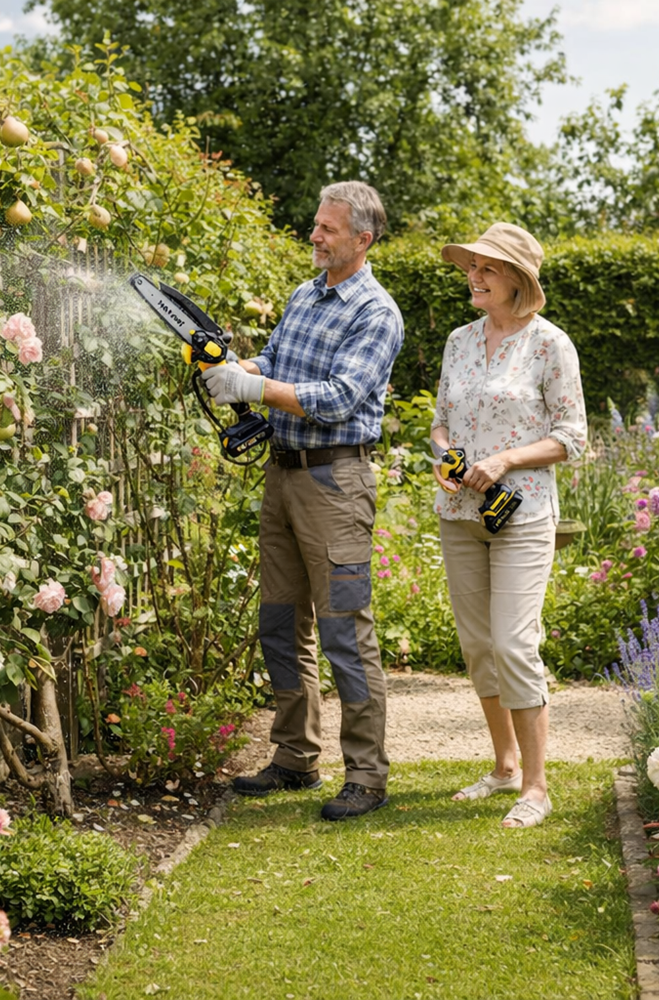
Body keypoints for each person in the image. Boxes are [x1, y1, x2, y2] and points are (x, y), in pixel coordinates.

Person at [201, 182, 404, 821]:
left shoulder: (376, 312)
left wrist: (255, 387)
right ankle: (294, 757)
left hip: (336, 484)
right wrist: (235, 369)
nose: (315, 236)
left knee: (346, 627)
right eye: (315, 225)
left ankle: (367, 776)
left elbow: (340, 396)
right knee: (282, 624)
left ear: (362, 239)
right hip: (283, 476)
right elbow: (282, 364)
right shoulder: (304, 293)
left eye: (328, 229)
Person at [430, 222, 587, 828]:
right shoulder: (459, 341)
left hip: (521, 515)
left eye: (487, 268)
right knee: (478, 647)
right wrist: (447, 455)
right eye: (471, 266)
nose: (473, 276)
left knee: (515, 643)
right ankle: (502, 766)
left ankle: (537, 786)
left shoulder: (552, 345)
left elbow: (572, 437)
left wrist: (503, 460)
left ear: (518, 279)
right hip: (459, 514)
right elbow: (441, 421)